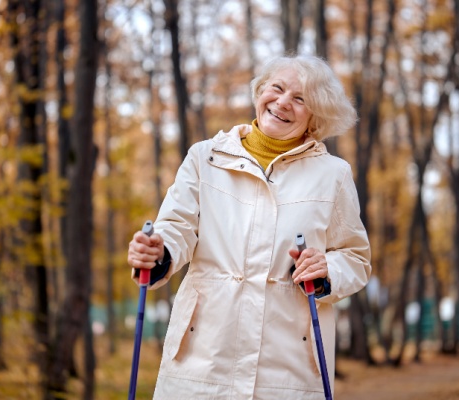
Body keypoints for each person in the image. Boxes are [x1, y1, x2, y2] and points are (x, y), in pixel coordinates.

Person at [127, 54, 371, 399]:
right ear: (260, 91)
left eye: (300, 99)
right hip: (202, 361)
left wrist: (328, 268)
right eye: (278, 88)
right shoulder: (205, 158)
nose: (283, 102)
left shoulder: (333, 175)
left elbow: (356, 257)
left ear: (316, 117)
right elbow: (177, 226)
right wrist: (158, 251)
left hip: (288, 371)